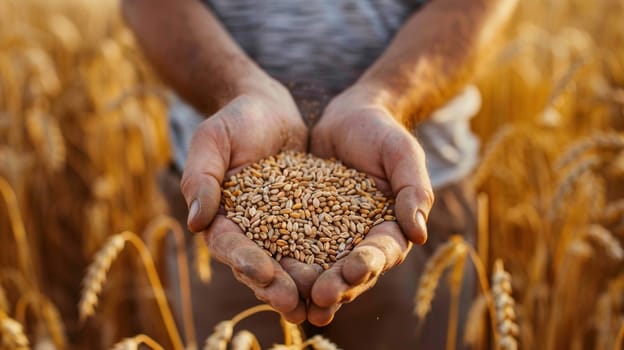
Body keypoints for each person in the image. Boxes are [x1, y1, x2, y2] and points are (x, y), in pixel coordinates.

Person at [123, 0, 516, 348]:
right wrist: (239, 89)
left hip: (407, 184)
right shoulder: (247, 196)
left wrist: (385, 97)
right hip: (222, 182)